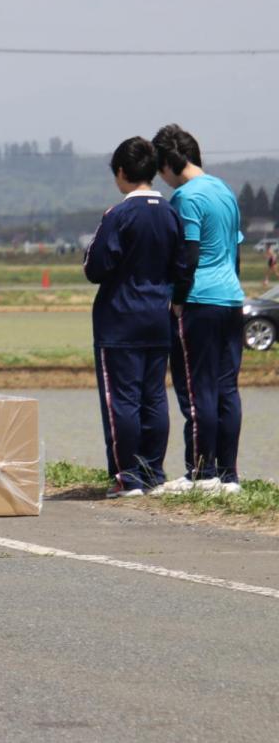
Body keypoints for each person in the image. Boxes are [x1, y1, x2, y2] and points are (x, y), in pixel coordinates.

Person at [83, 137, 185, 497]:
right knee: (154, 397)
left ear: (122, 172)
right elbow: (182, 263)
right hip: (159, 316)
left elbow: (95, 267)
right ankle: (152, 473)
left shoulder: (120, 214)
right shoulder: (171, 211)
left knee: (121, 400)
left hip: (120, 319)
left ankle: (126, 478)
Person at [153, 124, 245, 495]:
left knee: (197, 390)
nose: (161, 178)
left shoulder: (187, 198)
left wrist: (178, 298)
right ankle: (228, 476)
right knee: (227, 388)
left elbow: (188, 255)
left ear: (171, 163)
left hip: (199, 301)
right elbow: (236, 251)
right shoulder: (224, 190)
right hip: (230, 299)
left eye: (161, 169)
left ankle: (200, 473)